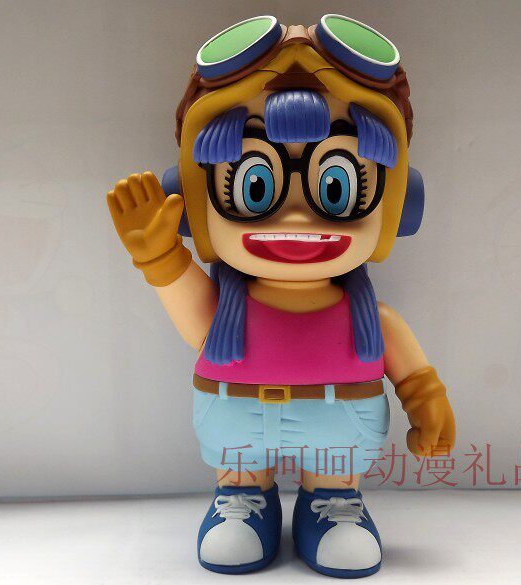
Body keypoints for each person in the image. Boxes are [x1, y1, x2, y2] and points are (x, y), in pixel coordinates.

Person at [106, 14, 455, 578]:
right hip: (239, 421)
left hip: (338, 424)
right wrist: (161, 258)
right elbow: (194, 322)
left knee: (336, 476)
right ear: (193, 200)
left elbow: (412, 372)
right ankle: (241, 500)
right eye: (254, 184)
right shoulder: (227, 314)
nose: (297, 220)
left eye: (337, 186)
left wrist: (427, 400)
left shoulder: (371, 319)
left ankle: (334, 505)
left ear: (397, 205)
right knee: (240, 475)